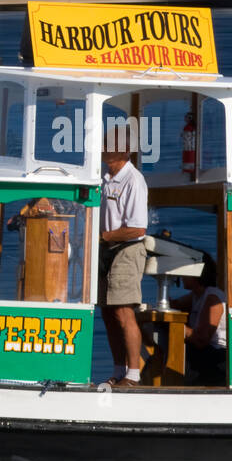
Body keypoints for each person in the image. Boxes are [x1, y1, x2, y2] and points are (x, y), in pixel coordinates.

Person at [99, 141, 149, 387]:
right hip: (106, 249)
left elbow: (138, 228)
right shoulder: (104, 176)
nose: (103, 150)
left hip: (126, 250)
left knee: (123, 311)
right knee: (108, 312)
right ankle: (119, 370)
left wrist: (104, 236)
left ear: (124, 152)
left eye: (109, 146)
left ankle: (133, 374)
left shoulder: (134, 180)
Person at [172, 255, 227, 386]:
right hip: (202, 352)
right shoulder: (197, 295)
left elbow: (201, 339)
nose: (182, 275)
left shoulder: (212, 297)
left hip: (216, 356)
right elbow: (174, 305)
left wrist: (175, 326)